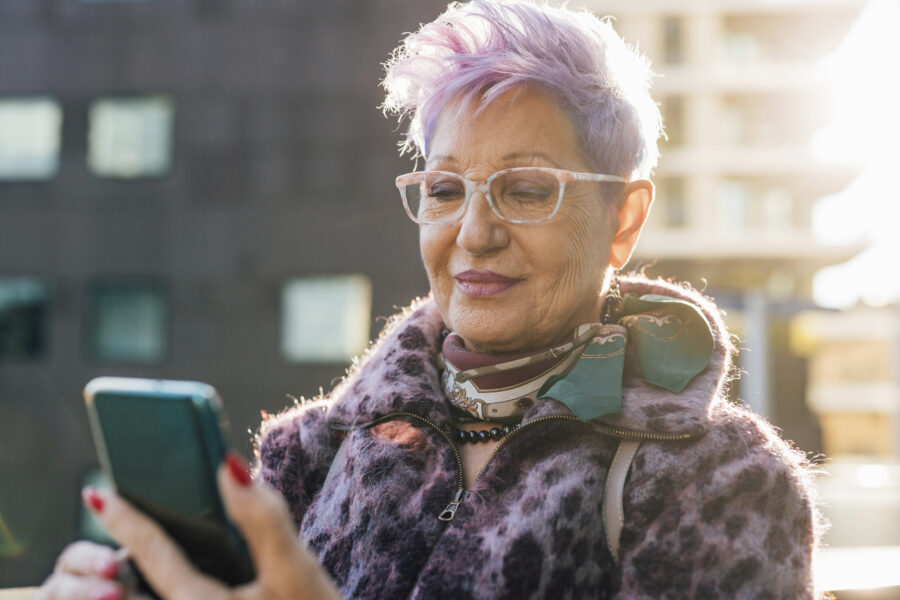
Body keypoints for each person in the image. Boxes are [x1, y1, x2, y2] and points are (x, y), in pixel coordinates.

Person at [36, 1, 821, 598]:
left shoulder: (721, 481)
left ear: (624, 218)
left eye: (524, 189)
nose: (473, 235)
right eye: (446, 189)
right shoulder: (310, 455)